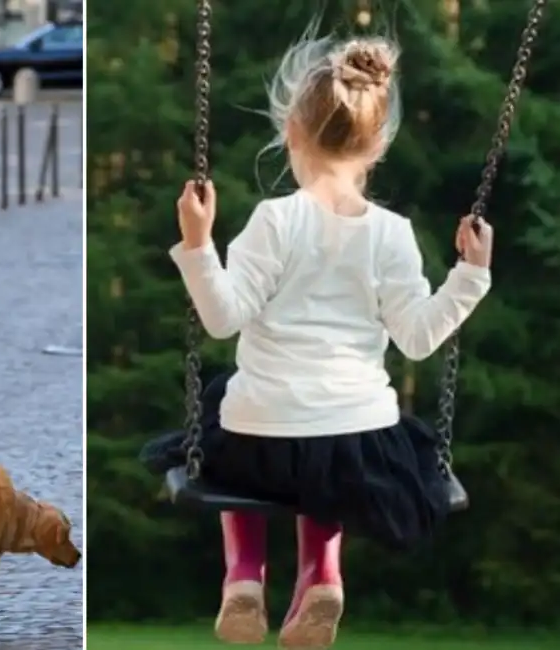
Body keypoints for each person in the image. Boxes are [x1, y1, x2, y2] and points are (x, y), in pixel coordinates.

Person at [148, 35, 493, 647]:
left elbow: (223, 318)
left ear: (291, 134)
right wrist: (469, 276)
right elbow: (417, 339)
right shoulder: (392, 233)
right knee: (330, 452)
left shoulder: (274, 221)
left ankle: (243, 575)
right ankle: (322, 574)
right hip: (356, 444)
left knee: (228, 412)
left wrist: (198, 244)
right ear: (378, 144)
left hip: (261, 439)